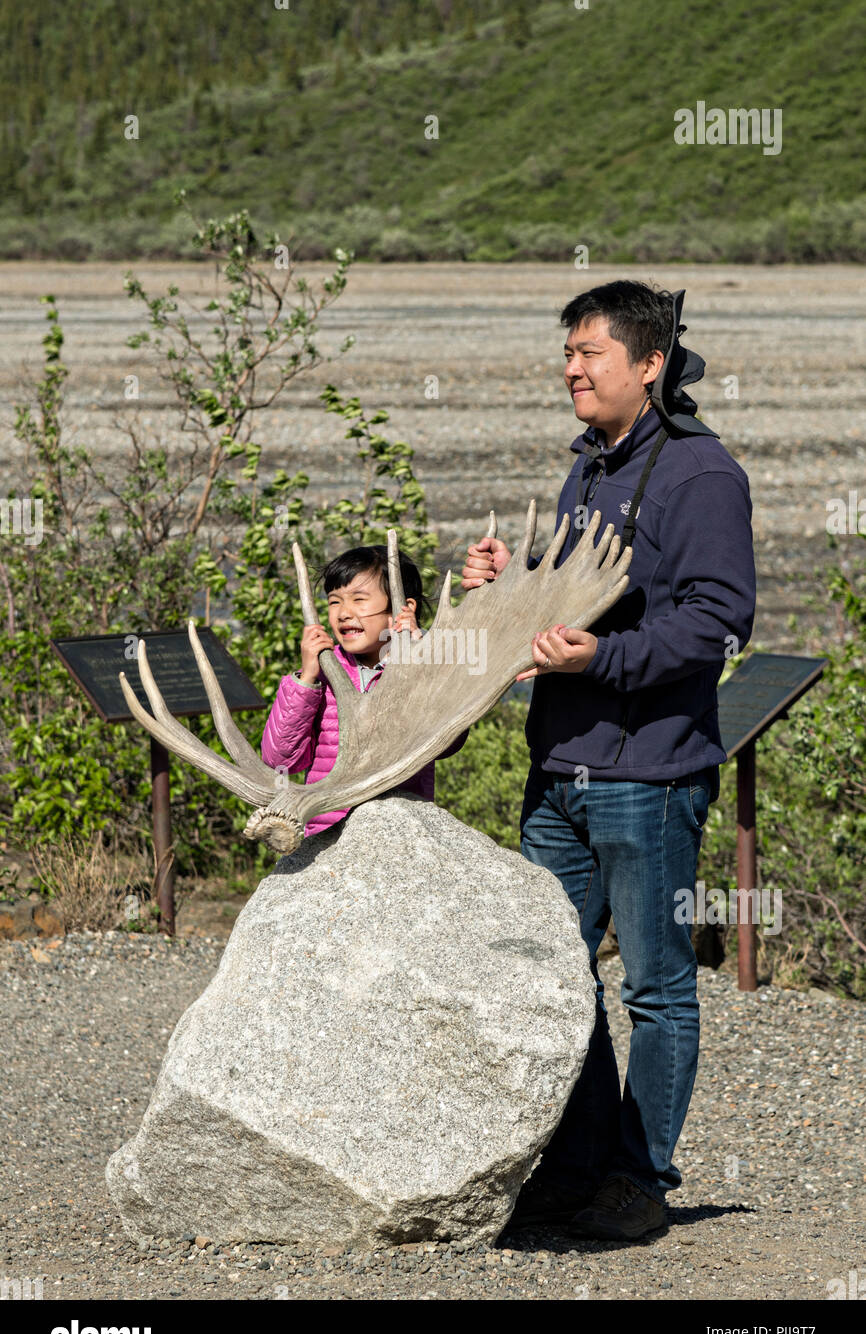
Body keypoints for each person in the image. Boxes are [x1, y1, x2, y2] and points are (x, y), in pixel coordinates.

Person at [461, 280, 756, 1240]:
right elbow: (570, 599)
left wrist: (608, 659)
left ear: (650, 364)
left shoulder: (701, 477)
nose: (573, 369)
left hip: (650, 774)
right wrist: (512, 589)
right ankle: (578, 1165)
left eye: (591, 353)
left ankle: (640, 1178)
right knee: (555, 973)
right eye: (569, 353)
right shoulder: (587, 467)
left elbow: (717, 621)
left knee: (658, 988)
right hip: (561, 770)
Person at [262, 543, 466, 836]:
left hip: (400, 834)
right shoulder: (323, 678)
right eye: (334, 602)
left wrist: (420, 660)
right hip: (327, 837)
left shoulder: (419, 666)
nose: (344, 613)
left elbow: (450, 741)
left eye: (359, 599)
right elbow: (280, 760)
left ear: (402, 609)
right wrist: (306, 678)